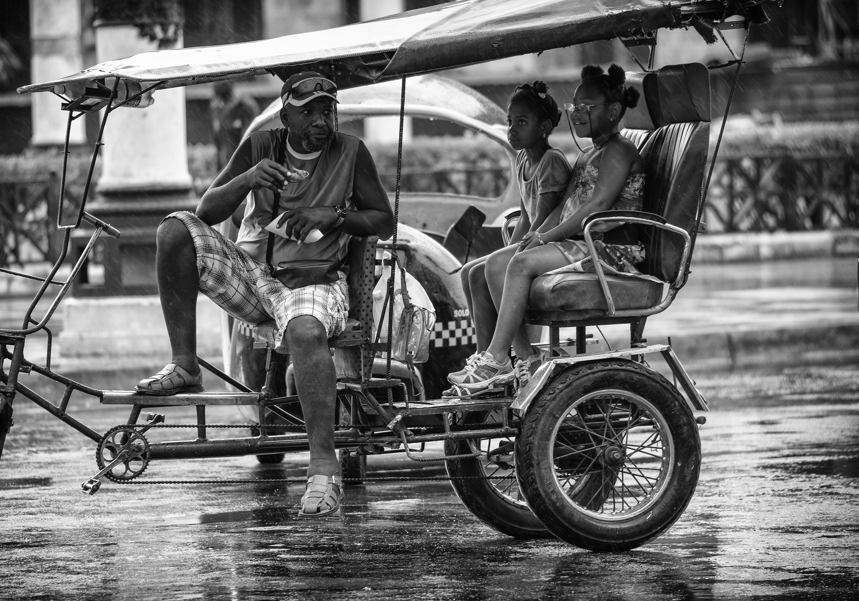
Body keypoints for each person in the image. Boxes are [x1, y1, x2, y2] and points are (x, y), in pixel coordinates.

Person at [134, 72, 394, 517]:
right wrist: (249, 179)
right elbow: (208, 211)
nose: (320, 120)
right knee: (175, 229)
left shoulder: (351, 151)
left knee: (306, 328)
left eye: (327, 110)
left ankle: (322, 467)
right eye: (308, 110)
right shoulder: (258, 144)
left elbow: (382, 220)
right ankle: (184, 364)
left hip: (314, 280)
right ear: (285, 111)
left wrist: (334, 215)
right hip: (255, 277)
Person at [449, 64, 644, 392]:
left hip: (609, 247)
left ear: (613, 111)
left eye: (587, 107)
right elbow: (561, 209)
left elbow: (596, 206)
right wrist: (536, 237)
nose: (578, 113)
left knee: (517, 263)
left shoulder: (618, 150)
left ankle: (502, 359)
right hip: (586, 241)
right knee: (501, 262)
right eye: (575, 107)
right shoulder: (588, 154)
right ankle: (501, 362)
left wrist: (546, 237)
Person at [454, 81, 570, 391]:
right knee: (471, 272)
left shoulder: (551, 162)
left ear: (544, 127)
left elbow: (544, 221)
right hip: (534, 237)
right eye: (510, 121)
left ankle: (520, 356)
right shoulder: (522, 160)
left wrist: (512, 257)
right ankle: (485, 357)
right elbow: (525, 215)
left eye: (522, 122)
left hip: (552, 242)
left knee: (495, 265)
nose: (512, 129)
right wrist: (511, 248)